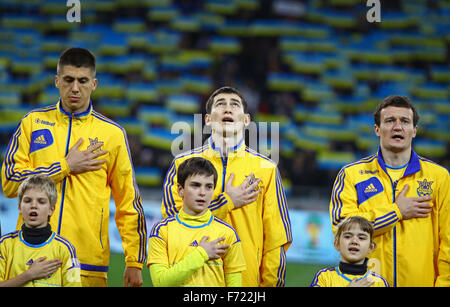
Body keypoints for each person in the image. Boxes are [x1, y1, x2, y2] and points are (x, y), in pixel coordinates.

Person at [1, 47, 147, 287]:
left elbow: (128, 202)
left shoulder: (112, 134)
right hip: (30, 258)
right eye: (68, 80)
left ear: (94, 84)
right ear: (57, 81)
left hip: (87, 263)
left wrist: (134, 261)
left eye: (83, 81)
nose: (75, 88)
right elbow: (9, 183)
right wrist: (65, 166)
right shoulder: (32, 123)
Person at [161, 86, 292, 287]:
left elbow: (276, 240)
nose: (228, 109)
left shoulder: (267, 169)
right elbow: (173, 227)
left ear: (246, 120)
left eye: (235, 105)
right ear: (208, 120)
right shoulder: (181, 164)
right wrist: (227, 202)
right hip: (193, 283)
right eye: (220, 104)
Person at [329, 95, 450, 287]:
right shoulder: (351, 175)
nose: (398, 127)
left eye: (405, 121)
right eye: (390, 121)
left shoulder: (439, 178)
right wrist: (396, 211)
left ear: (414, 131)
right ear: (377, 129)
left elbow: (448, 242)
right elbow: (341, 228)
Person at [148, 157, 246, 286]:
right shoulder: (161, 231)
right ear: (180, 190)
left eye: (209, 187)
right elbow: (161, 283)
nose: (202, 193)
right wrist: (201, 254)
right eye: (195, 185)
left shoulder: (227, 234)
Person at [0, 175, 81, 287]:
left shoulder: (66, 249)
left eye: (41, 202)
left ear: (51, 210)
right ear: (19, 207)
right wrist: (29, 274)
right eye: (27, 201)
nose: (33, 206)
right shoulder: (4, 245)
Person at [310, 216, 389, 287]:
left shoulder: (379, 283)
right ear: (337, 244)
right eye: (347, 236)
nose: (354, 241)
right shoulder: (324, 277)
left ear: (371, 247)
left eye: (361, 238)